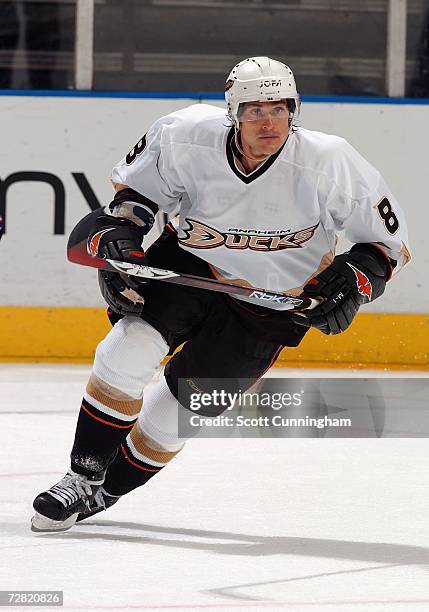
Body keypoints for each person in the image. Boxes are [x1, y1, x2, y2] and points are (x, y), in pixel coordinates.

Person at [31, 56, 410, 532]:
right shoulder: (184, 134)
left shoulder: (331, 162)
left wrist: (355, 281)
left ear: (295, 110)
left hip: (275, 301)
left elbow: (385, 246)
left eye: (280, 107)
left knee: (178, 413)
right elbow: (134, 199)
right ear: (233, 112)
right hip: (189, 266)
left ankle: (106, 492)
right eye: (255, 110)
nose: (269, 120)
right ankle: (80, 478)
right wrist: (120, 234)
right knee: (126, 352)